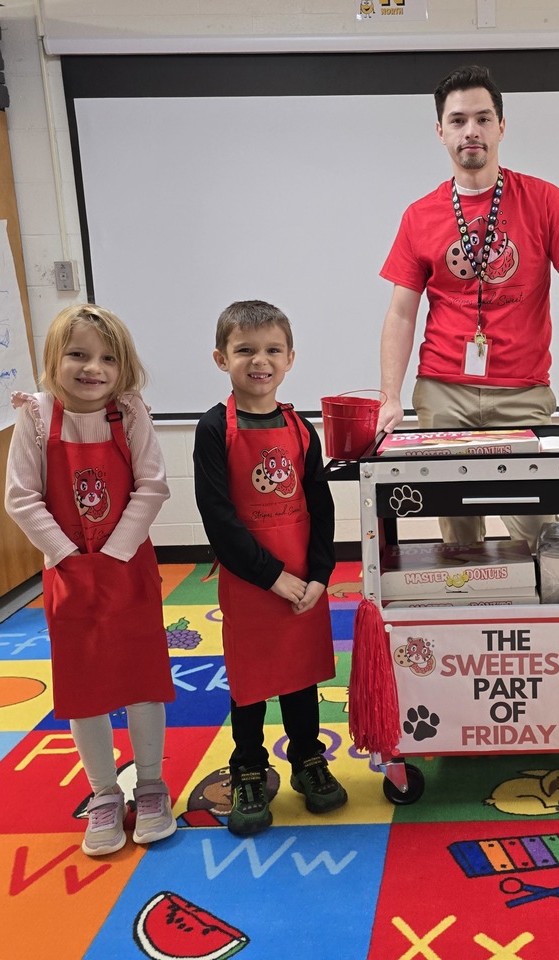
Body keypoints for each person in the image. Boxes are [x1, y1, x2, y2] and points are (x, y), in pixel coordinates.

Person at [377, 63, 559, 548]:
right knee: (459, 535)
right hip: (444, 391)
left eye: (483, 118)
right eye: (458, 120)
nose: (471, 131)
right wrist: (390, 396)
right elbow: (402, 312)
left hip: (521, 390)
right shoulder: (419, 215)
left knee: (538, 529)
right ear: (440, 131)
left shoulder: (544, 200)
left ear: (502, 126)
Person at [4, 304, 176, 856]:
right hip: (70, 576)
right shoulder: (35, 417)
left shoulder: (130, 413)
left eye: (106, 358)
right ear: (54, 360)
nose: (92, 368)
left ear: (123, 367)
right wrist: (67, 555)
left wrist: (117, 552)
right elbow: (21, 498)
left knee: (143, 678)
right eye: (77, 355)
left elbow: (151, 485)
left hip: (128, 571)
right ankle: (104, 792)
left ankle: (149, 784)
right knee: (84, 688)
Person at [193, 300, 346, 836]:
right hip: (253, 582)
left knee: (301, 675)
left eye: (272, 350)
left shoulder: (302, 429)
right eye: (245, 350)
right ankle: (249, 768)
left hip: (304, 578)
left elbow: (321, 507)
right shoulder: (213, 429)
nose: (260, 361)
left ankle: (308, 759)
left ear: (290, 358)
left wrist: (319, 576)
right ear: (221, 358)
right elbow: (219, 518)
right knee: (252, 681)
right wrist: (273, 578)